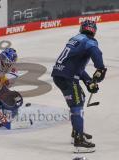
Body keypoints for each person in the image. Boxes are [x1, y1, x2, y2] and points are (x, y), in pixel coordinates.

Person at [51, 20, 107, 153]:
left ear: (82, 28)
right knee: (76, 105)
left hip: (61, 74)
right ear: (94, 31)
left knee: (79, 98)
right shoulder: (90, 41)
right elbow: (97, 53)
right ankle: (79, 141)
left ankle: (77, 132)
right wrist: (101, 68)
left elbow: (76, 66)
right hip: (68, 77)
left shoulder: (75, 39)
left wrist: (88, 81)